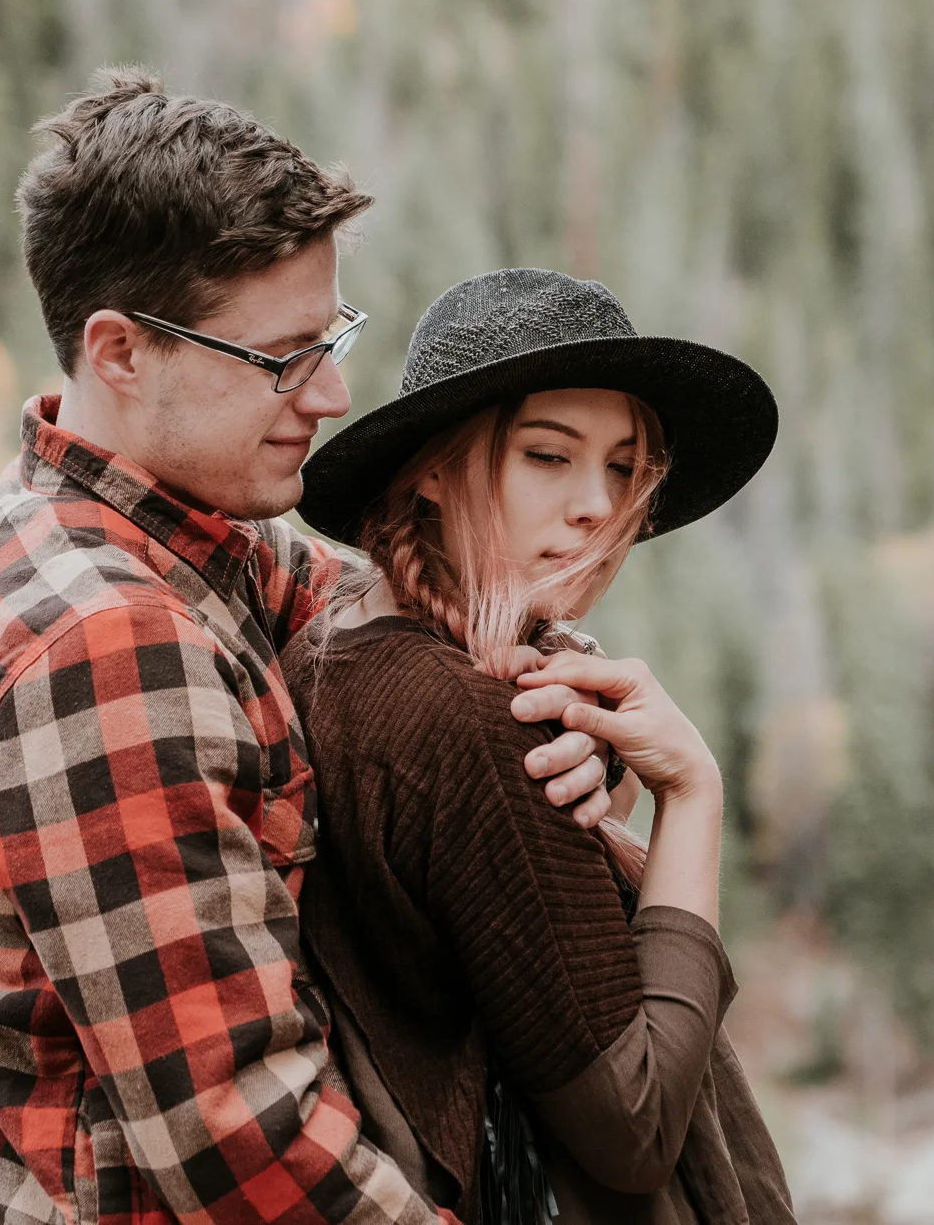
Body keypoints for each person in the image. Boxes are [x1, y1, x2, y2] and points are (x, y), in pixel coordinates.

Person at [0, 72, 619, 1225]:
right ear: (119, 350)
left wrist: (569, 695)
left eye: (331, 337)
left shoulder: (179, 534)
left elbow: (398, 608)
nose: (330, 393)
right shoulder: (104, 646)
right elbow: (243, 1136)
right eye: (282, 357)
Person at [284, 268, 796, 1224]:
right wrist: (692, 791)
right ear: (432, 469)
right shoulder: (472, 723)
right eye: (549, 456)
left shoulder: (342, 641)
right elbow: (636, 1125)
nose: (599, 505)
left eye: (623, 466)